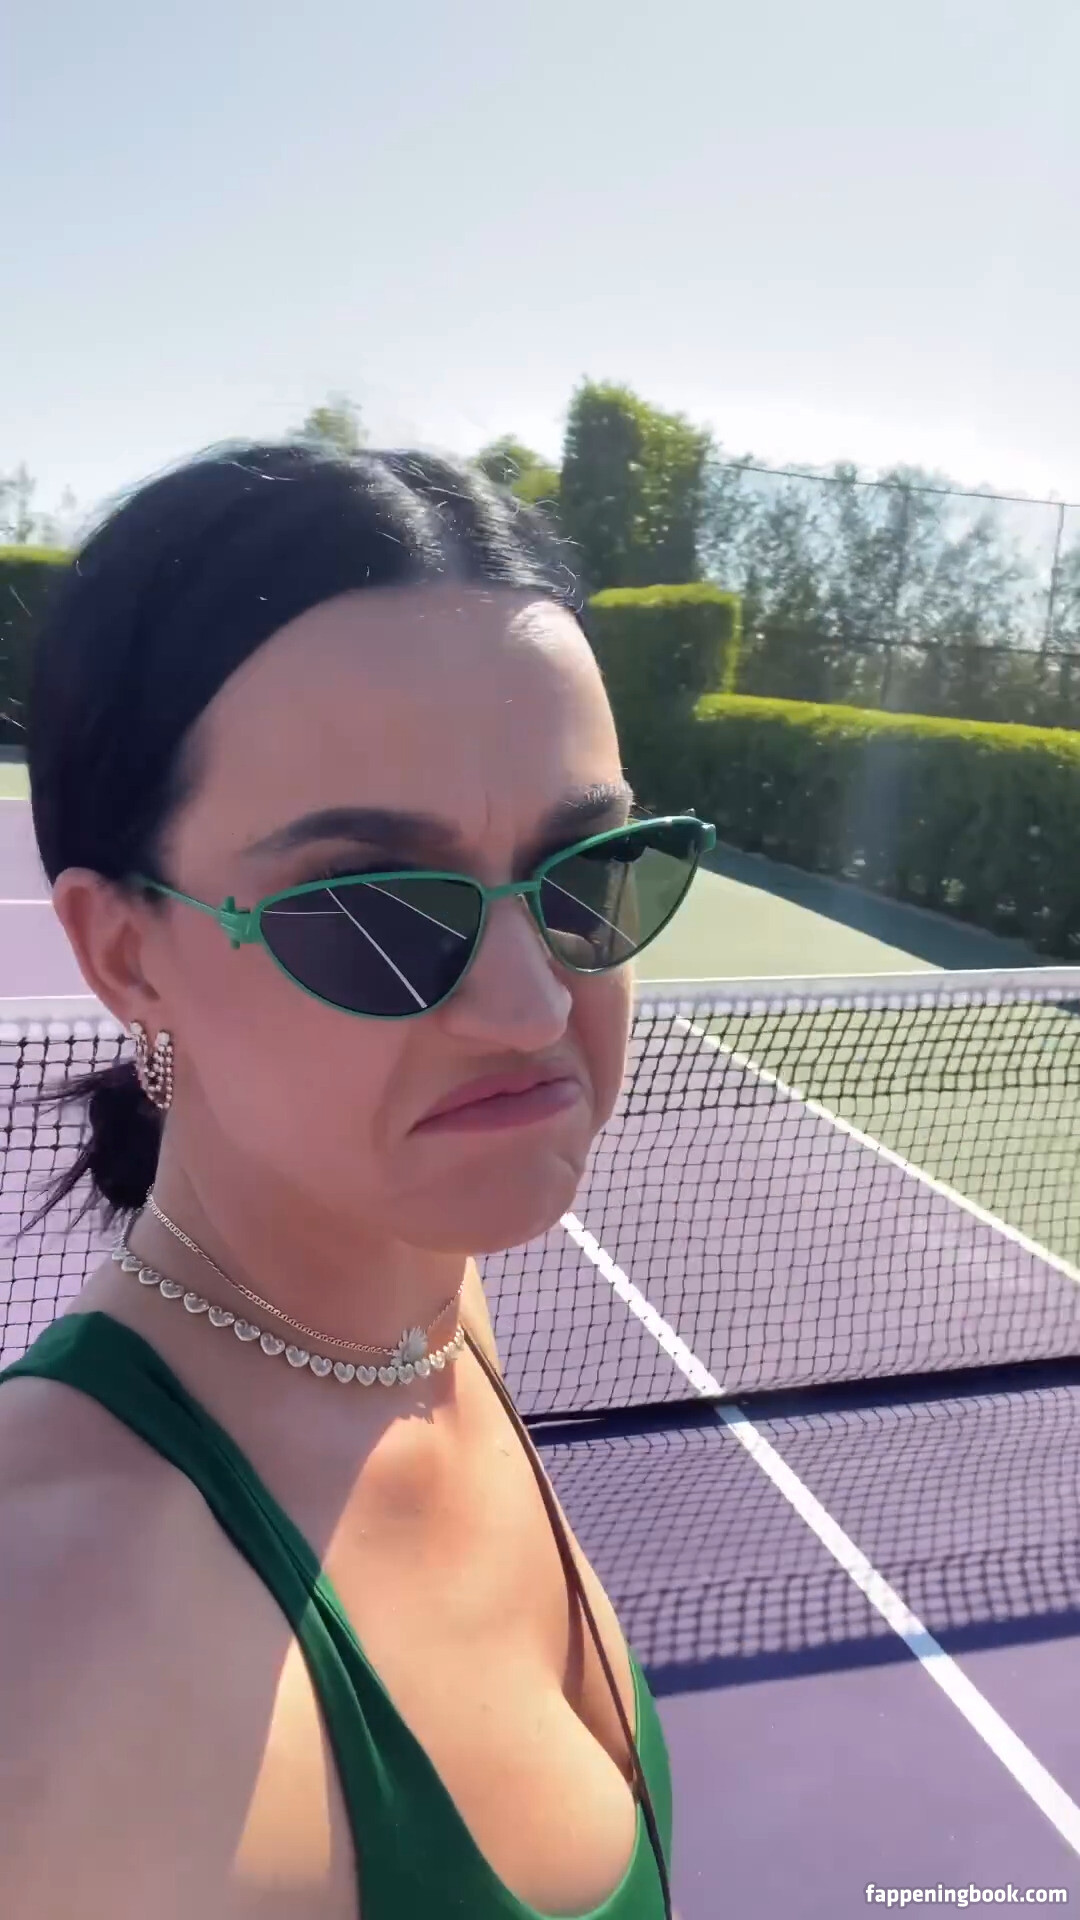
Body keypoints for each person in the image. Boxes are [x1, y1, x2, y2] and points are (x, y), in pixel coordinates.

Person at [0, 443, 711, 1919]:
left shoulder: (435, 1317)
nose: (529, 1005)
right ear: (126, 952)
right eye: (374, 913)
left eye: (586, 871)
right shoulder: (71, 1640)